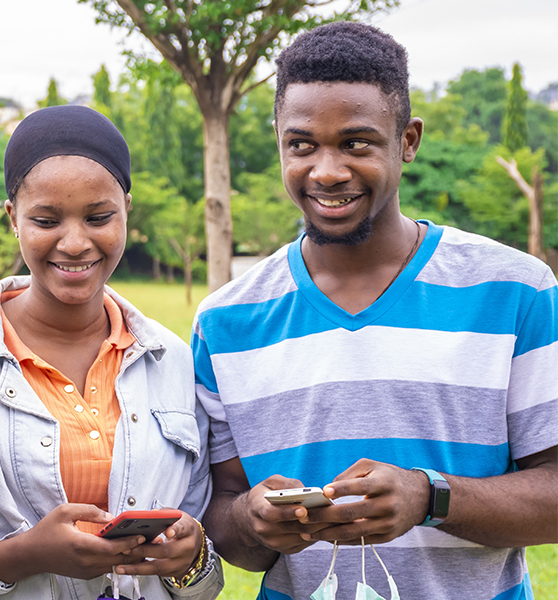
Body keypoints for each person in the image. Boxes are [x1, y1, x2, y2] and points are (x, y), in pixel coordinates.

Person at [194, 21, 557, 600]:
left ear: (407, 140)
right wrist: (252, 521)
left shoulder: (515, 291)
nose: (327, 171)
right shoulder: (226, 322)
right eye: (302, 144)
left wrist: (430, 497)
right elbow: (222, 520)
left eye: (357, 143)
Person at [0, 105, 224, 599]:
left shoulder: (173, 361)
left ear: (126, 211)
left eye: (99, 217)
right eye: (46, 220)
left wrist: (193, 553)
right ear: (13, 218)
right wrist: (24, 554)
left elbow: (205, 561)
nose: (75, 243)